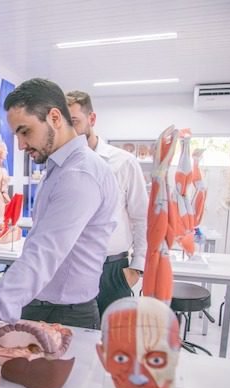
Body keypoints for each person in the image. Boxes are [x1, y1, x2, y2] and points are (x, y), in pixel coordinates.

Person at [0, 78, 118, 373]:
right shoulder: (61, 168)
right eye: (17, 134)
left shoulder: (79, 175)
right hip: (42, 303)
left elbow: (41, 257)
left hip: (65, 313)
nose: (20, 144)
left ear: (54, 117)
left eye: (25, 131)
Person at [66, 90, 148, 317]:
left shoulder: (123, 162)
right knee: (75, 334)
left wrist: (136, 268)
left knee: (112, 335)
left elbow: (141, 217)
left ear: (91, 119)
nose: (69, 130)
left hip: (112, 270)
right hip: (72, 267)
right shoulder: (62, 165)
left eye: (75, 122)